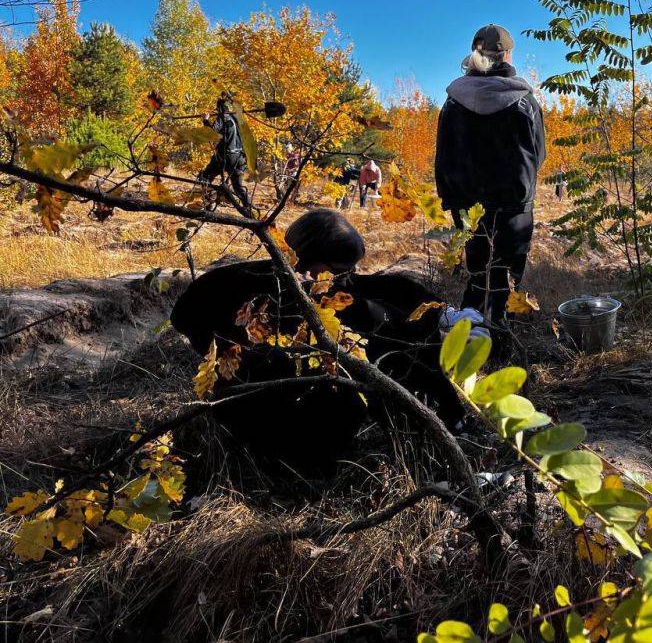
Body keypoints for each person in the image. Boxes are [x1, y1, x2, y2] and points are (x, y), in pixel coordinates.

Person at [169, 209, 464, 475]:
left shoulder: (327, 286)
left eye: (351, 270)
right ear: (306, 260)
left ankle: (446, 426)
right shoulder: (253, 285)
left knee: (381, 347)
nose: (346, 280)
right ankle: (304, 474)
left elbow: (382, 289)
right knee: (350, 386)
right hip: (263, 415)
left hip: (275, 402)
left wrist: (439, 311)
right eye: (339, 271)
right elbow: (185, 315)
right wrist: (233, 353)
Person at [435, 24, 545, 328]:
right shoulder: (524, 101)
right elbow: (539, 154)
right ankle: (502, 340)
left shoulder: (453, 102)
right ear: (507, 54)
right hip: (514, 202)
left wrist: (451, 198)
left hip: (466, 204)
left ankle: (468, 338)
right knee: (508, 274)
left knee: (478, 269)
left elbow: (442, 156)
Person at [197, 96, 252, 210]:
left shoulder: (223, 117)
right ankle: (249, 209)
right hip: (239, 157)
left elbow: (211, 133)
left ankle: (210, 201)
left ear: (219, 108)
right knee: (238, 187)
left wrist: (205, 120)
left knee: (205, 177)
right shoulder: (238, 119)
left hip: (224, 157)